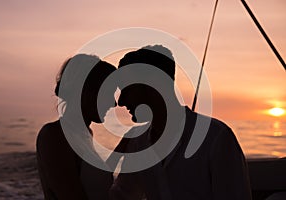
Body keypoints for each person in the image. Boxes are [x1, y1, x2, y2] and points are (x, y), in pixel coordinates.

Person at [108, 45, 252, 200]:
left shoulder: (217, 138)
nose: (121, 101)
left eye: (127, 89)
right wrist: (112, 161)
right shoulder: (137, 144)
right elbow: (122, 196)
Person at [36, 54, 116, 200]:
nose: (114, 103)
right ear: (87, 92)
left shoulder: (85, 134)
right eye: (108, 93)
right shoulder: (54, 135)